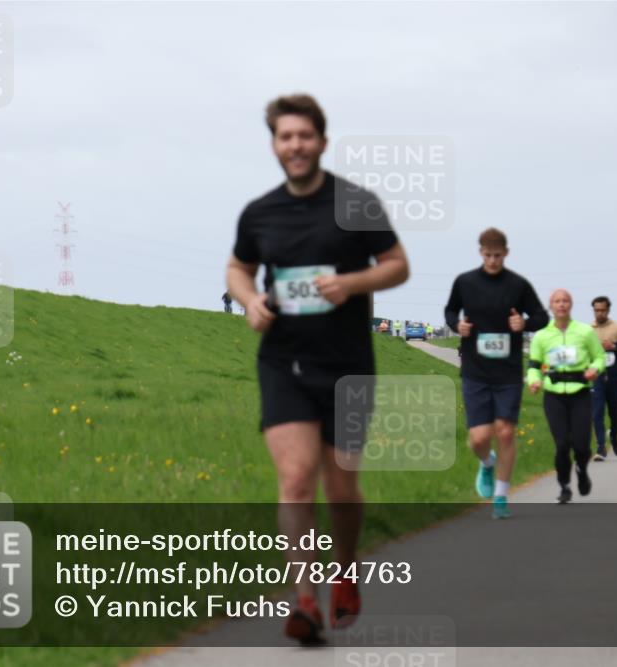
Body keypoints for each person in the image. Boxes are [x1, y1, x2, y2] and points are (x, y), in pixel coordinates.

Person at [226, 94, 409, 645]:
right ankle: (304, 600)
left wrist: (351, 284)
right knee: (296, 480)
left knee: (342, 488)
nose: (295, 145)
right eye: (285, 136)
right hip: (284, 360)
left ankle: (345, 569)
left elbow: (398, 264)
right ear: (275, 145)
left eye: (304, 136)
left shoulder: (356, 204)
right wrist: (249, 300)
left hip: (348, 365)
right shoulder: (259, 213)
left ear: (322, 143)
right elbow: (240, 267)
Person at [445, 228, 547, 519]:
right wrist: (457, 326)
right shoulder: (464, 282)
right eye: (488, 255)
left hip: (507, 372)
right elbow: (450, 312)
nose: (492, 261)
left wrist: (523, 323)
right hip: (476, 370)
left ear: (506, 253)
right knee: (478, 438)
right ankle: (487, 464)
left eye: (497, 256)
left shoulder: (518, 285)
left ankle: (501, 497)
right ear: (480, 253)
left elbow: (541, 316)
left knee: (505, 432)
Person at [527, 289, 605, 504]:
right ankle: (564, 486)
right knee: (562, 444)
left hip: (580, 393)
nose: (561, 304)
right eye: (557, 301)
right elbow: (533, 365)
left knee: (581, 445)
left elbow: (599, 357)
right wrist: (533, 380)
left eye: (565, 301)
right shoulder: (542, 336)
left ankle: (581, 469)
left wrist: (594, 369)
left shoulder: (584, 332)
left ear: (571, 305)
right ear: (550, 306)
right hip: (554, 396)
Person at [590, 296, 617, 461]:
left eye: (602, 310)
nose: (599, 313)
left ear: (608, 310)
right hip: (597, 376)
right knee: (597, 413)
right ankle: (601, 447)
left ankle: (614, 436)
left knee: (614, 414)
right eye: (596, 310)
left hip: (615, 376)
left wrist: (614, 347)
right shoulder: (588, 329)